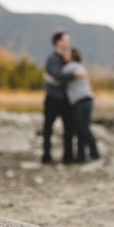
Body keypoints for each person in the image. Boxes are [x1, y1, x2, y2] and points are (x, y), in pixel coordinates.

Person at [42, 31, 85, 164]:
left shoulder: (68, 59)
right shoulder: (52, 59)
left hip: (67, 99)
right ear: (58, 42)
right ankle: (46, 156)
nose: (68, 43)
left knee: (69, 129)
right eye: (66, 40)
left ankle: (68, 157)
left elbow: (57, 77)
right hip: (53, 98)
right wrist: (74, 75)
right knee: (48, 128)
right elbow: (57, 75)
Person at [62, 47, 100, 162]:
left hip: (81, 101)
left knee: (83, 129)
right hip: (87, 100)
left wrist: (49, 78)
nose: (64, 55)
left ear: (72, 56)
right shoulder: (80, 66)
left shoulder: (70, 66)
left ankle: (94, 154)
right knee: (82, 129)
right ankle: (81, 155)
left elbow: (59, 77)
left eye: (67, 54)